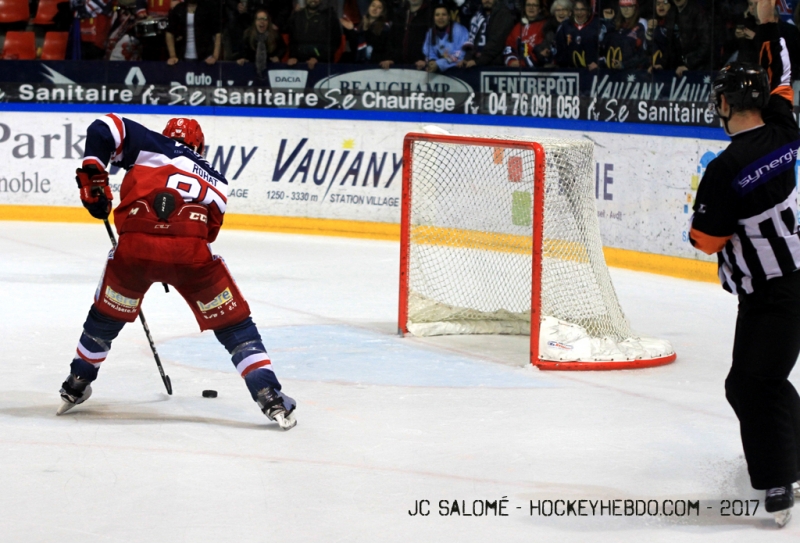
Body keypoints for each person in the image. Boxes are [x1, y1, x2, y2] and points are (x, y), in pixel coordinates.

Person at [60, 115, 297, 431]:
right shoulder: (218, 180)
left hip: (134, 250)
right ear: (200, 145)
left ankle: (77, 382)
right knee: (234, 327)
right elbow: (209, 233)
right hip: (190, 256)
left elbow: (104, 126)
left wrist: (93, 171)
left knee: (105, 319)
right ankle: (269, 395)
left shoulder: (151, 144)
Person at [689, 0, 800, 527]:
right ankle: (790, 455)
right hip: (780, 286)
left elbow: (706, 241)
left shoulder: (726, 168)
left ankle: (780, 483)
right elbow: (786, 72)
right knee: (754, 382)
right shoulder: (784, 131)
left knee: (756, 384)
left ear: (728, 104)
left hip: (774, 292)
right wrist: (769, 25)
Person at [286, 0, 343, 69]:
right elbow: (292, 40)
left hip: (322, 63)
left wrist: (318, 58)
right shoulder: (297, 15)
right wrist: (293, 56)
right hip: (299, 62)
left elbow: (335, 41)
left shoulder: (330, 16)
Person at [461, 0, 517, 67]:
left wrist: (478, 61)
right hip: (476, 64)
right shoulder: (477, 15)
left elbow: (496, 43)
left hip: (495, 66)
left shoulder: (504, 14)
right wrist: (466, 59)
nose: (487, 0)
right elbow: (472, 40)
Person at [166, 0, 223, 65]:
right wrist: (173, 56)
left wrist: (215, 57)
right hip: (182, 57)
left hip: (206, 58)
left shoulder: (209, 8)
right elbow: (169, 32)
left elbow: (217, 33)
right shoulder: (178, 9)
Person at [419, 2, 469, 71]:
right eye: (437, 15)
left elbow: (460, 54)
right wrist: (432, 62)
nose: (440, 18)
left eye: (444, 14)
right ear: (433, 17)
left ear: (449, 17)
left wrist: (439, 64)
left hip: (457, 72)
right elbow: (428, 51)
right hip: (436, 73)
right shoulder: (430, 33)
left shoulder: (460, 30)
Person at [598, 0, 646, 70]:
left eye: (629, 6)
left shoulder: (640, 27)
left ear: (635, 7)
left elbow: (642, 54)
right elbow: (602, 48)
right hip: (609, 72)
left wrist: (623, 65)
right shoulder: (612, 26)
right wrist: (608, 22)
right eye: (623, 6)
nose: (625, 10)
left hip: (630, 73)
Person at [236, 9, 287, 75]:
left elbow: (283, 48)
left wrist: (277, 56)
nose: (262, 21)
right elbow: (242, 50)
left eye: (265, 19)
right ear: (255, 22)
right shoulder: (248, 34)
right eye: (259, 19)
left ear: (268, 22)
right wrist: (243, 58)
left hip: (271, 69)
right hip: (251, 69)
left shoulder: (275, 34)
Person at [382, 0, 431, 69]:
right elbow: (392, 39)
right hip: (398, 65)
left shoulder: (430, 14)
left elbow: (434, 40)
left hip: (421, 66)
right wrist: (390, 58)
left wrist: (427, 60)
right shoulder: (399, 13)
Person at [553, 0, 601, 69]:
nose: (579, 13)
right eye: (576, 9)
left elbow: (604, 49)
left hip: (594, 71)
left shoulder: (598, 25)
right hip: (570, 72)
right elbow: (558, 49)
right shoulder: (565, 26)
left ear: (588, 11)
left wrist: (599, 63)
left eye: (582, 9)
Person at [503, 0, 549, 68]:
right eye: (528, 5)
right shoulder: (517, 27)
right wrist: (511, 61)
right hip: (517, 69)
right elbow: (509, 46)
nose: (531, 8)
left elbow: (543, 51)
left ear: (539, 9)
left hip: (538, 70)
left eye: (535, 5)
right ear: (524, 8)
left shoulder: (546, 25)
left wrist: (524, 63)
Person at [646, 0, 680, 72]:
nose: (661, 6)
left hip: (674, 69)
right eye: (658, 3)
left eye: (665, 2)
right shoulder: (653, 23)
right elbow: (647, 49)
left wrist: (662, 63)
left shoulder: (677, 22)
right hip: (656, 68)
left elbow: (674, 48)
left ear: (671, 5)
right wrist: (649, 31)